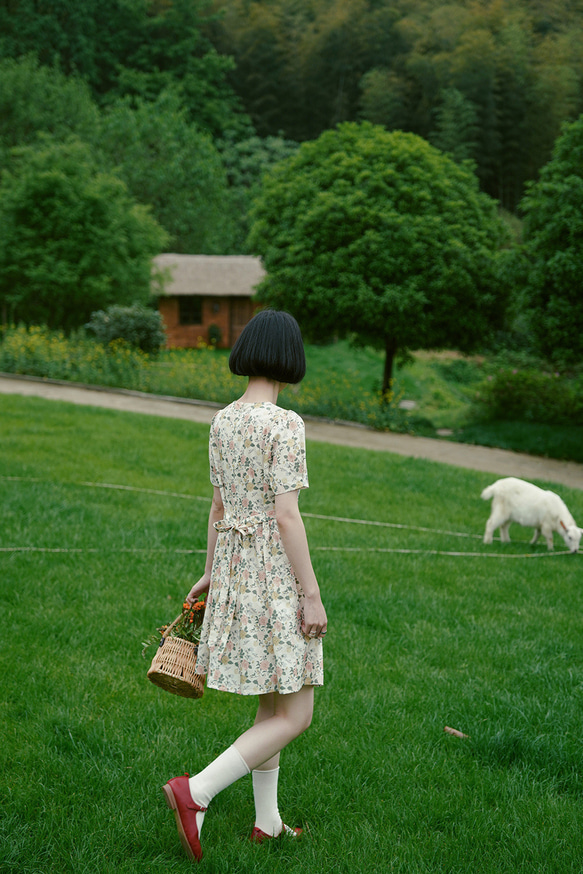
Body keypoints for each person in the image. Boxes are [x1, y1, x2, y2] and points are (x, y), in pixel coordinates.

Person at [162, 309, 327, 863]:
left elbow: (217, 506)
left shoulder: (223, 421)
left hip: (234, 569)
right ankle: (197, 791)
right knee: (296, 715)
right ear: (291, 357)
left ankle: (267, 823)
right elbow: (286, 517)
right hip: (273, 576)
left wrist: (211, 569)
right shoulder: (285, 424)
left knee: (271, 706)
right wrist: (310, 594)